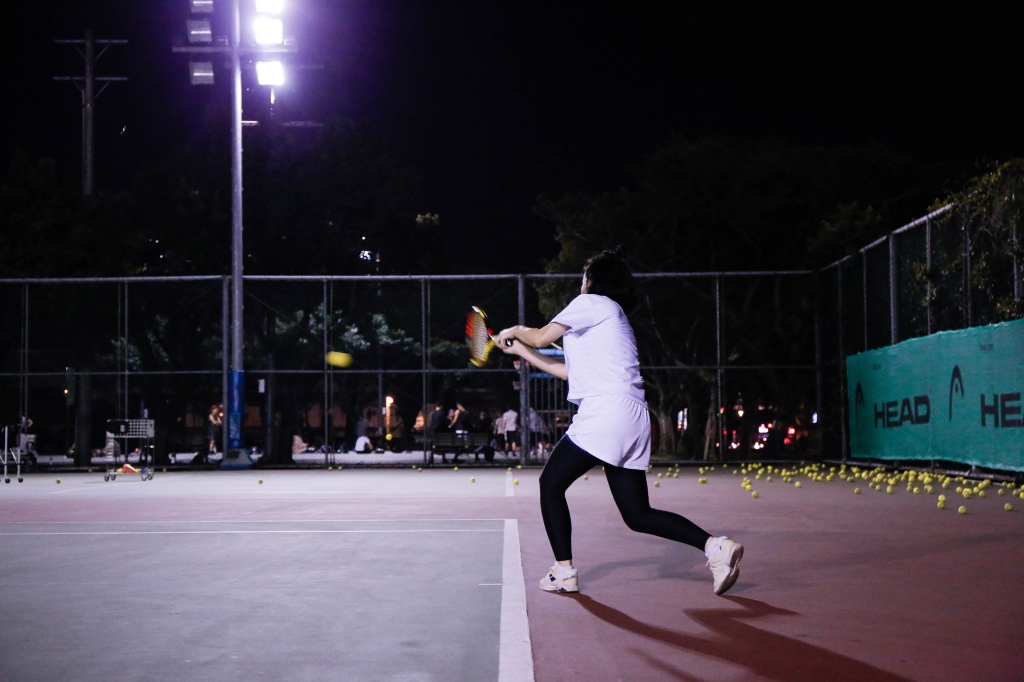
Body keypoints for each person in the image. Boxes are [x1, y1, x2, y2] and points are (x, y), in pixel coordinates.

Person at [496, 249, 743, 596]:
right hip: (633, 416)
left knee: (550, 484)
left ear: (591, 280)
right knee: (638, 515)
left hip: (606, 412)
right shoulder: (612, 318)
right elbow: (566, 372)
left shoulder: (590, 302)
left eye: (584, 275)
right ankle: (716, 547)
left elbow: (539, 337)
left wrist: (515, 330)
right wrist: (521, 351)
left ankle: (563, 572)